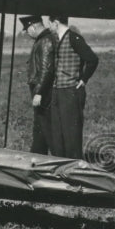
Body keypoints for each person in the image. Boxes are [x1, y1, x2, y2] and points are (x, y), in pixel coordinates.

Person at [48, 15, 99, 160]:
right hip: (58, 90)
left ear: (56, 23)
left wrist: (83, 79)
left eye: (50, 24)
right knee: (58, 132)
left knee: (71, 132)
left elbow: (92, 59)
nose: (49, 27)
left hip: (70, 91)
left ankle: (73, 166)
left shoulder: (74, 38)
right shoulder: (58, 39)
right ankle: (60, 164)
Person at [21, 15, 55, 155]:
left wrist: (39, 92)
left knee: (45, 125)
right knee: (40, 125)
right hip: (40, 89)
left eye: (27, 29)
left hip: (43, 91)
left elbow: (46, 69)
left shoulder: (45, 41)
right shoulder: (42, 40)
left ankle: (51, 156)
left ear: (33, 26)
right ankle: (37, 154)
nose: (27, 33)